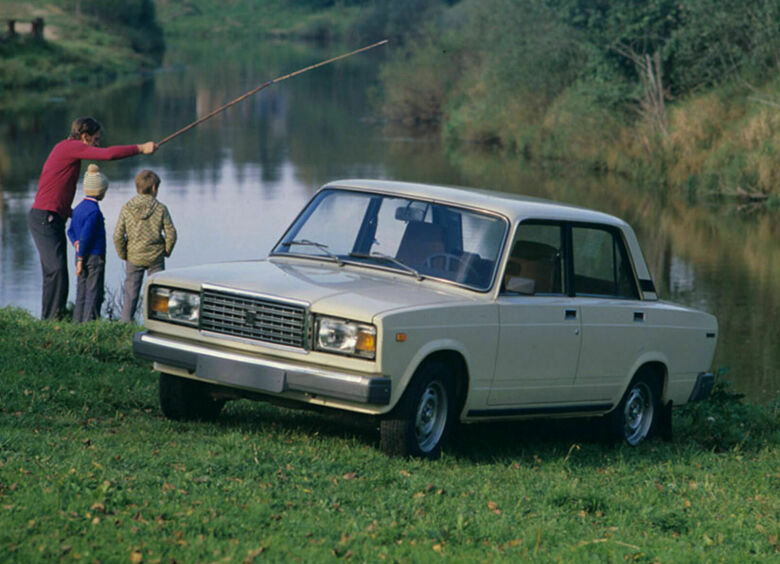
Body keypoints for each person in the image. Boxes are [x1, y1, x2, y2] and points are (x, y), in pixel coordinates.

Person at [28, 117, 157, 320]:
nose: (97, 145)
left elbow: (56, 193)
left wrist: (71, 213)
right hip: (45, 219)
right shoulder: (70, 147)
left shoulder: (66, 150)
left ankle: (52, 318)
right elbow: (108, 154)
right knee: (57, 271)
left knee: (55, 272)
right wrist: (141, 148)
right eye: (95, 140)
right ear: (84, 137)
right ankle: (52, 320)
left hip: (52, 217)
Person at [114, 169, 177, 323]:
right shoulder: (160, 208)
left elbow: (117, 235)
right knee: (159, 291)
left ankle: (125, 323)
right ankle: (160, 323)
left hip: (134, 256)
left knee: (130, 292)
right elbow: (171, 234)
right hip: (155, 256)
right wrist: (166, 251)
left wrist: (123, 254)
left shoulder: (127, 208)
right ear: (154, 188)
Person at [67, 164, 109, 323]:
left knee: (81, 291)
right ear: (100, 191)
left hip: (80, 255)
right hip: (92, 257)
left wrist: (75, 244)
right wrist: (81, 257)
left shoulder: (78, 208)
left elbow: (70, 231)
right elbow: (86, 236)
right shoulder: (94, 212)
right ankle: (89, 323)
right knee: (93, 291)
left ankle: (77, 322)